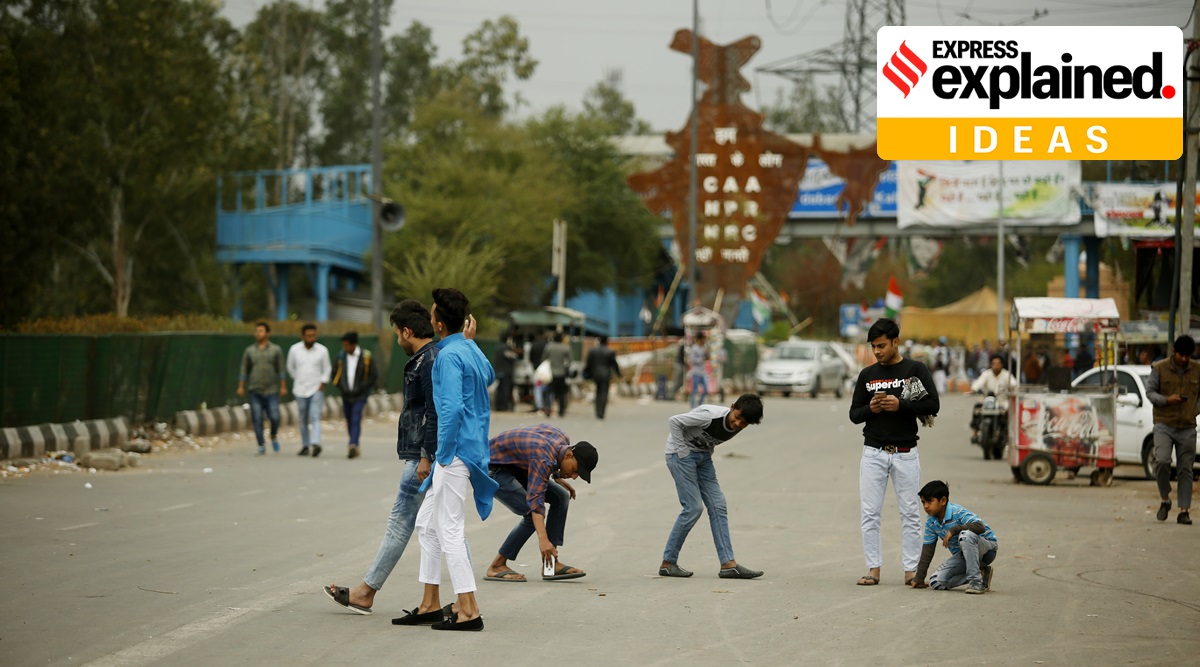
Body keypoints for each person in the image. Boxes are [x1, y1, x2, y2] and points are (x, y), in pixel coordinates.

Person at [323, 301, 440, 615]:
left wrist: (426, 457)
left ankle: (366, 592)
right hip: (428, 455)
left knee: (402, 525)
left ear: (406, 331)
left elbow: (434, 411)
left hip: (422, 457)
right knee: (437, 528)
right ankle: (437, 602)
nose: (398, 341)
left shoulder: (427, 361)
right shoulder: (433, 356)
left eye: (397, 334)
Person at [397, 288, 498, 631]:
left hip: (454, 452)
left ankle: (469, 609)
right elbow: (490, 374)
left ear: (438, 323)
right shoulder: (466, 349)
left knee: (449, 529)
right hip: (466, 449)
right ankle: (430, 604)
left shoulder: (447, 357)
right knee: (427, 524)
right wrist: (471, 340)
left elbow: (451, 408)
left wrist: (441, 453)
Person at [849, 318, 939, 587]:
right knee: (869, 513)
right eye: (873, 347)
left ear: (895, 342)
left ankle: (911, 571)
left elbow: (932, 405)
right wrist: (872, 409)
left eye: (881, 345)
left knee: (911, 513)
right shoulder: (868, 375)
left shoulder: (914, 370)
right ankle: (873, 569)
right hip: (873, 452)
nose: (877, 351)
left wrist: (901, 404)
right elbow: (854, 414)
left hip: (905, 452)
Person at [658, 393, 765, 580]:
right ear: (732, 407)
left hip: (702, 457)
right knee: (693, 508)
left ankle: (728, 565)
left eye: (744, 423)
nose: (738, 424)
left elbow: (711, 439)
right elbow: (674, 421)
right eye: (737, 418)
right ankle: (668, 563)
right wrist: (683, 453)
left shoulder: (739, 423)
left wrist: (705, 453)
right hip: (679, 455)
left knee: (718, 505)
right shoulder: (709, 416)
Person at [483, 424, 598, 583]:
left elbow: (541, 450)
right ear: (569, 455)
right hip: (492, 468)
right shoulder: (543, 457)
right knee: (531, 513)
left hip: (517, 466)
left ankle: (550, 566)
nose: (574, 476)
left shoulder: (562, 440)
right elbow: (536, 501)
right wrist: (543, 541)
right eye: (575, 470)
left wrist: (557, 474)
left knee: (561, 496)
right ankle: (497, 565)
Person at [1145, 334, 1199, 526]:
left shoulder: (1197, 369)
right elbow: (1150, 392)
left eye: (1188, 356)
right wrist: (1166, 400)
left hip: (1187, 427)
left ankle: (1184, 511)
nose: (1184, 359)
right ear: (1173, 352)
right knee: (1162, 461)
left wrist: (1195, 407)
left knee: (1185, 469)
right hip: (1164, 424)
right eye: (1181, 355)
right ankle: (1165, 499)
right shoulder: (1159, 368)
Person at [908, 480, 998, 594]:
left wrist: (954, 530)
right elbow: (928, 550)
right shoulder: (931, 522)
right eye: (923, 502)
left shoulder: (957, 512)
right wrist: (919, 578)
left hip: (986, 550)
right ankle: (982, 574)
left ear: (943, 500)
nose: (926, 506)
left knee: (966, 535)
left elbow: (980, 526)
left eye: (930, 501)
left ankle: (976, 582)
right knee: (936, 582)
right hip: (964, 556)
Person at [237, 321, 287, 455]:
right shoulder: (249, 351)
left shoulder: (276, 350)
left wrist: (283, 386)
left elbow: (281, 369)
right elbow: (244, 369)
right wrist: (241, 386)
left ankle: (273, 435)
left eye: (261, 331)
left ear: (268, 333)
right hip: (255, 390)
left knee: (275, 416)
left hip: (271, 390)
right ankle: (261, 444)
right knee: (257, 418)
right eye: (256, 331)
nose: (258, 333)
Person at [287, 323, 331, 457]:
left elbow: (327, 369)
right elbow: (290, 367)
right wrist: (297, 378)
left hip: (316, 388)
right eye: (308, 336)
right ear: (303, 336)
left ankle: (315, 443)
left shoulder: (322, 350)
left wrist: (323, 383)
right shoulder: (294, 350)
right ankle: (305, 445)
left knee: (315, 415)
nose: (311, 338)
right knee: (303, 418)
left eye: (313, 336)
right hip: (300, 389)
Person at [333, 331, 378, 459]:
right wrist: (341, 386)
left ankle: (352, 444)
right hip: (346, 394)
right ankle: (354, 444)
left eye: (346, 345)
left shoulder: (366, 357)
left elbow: (374, 375)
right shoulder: (341, 357)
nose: (344, 348)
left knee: (356, 417)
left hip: (360, 395)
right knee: (349, 419)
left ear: (353, 345)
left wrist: (363, 387)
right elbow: (335, 373)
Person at [969, 354, 1016, 442]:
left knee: (1007, 413)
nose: (996, 366)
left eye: (998, 363)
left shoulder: (1006, 375)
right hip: (987, 401)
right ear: (991, 364)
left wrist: (1013, 389)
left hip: (1002, 402)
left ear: (1002, 364)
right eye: (994, 363)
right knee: (977, 408)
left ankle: (1007, 433)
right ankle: (975, 432)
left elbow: (1014, 384)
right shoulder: (986, 374)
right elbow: (979, 382)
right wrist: (973, 389)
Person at [583, 336, 622, 420]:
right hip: (605, 375)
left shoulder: (593, 351)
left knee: (597, 391)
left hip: (595, 374)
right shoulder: (610, 352)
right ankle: (601, 412)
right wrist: (619, 374)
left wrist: (586, 373)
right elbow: (614, 364)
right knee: (604, 392)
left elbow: (588, 364)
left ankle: (597, 411)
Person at [545, 332, 572, 417]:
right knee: (562, 393)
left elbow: (544, 359)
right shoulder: (565, 348)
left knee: (549, 392)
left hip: (550, 374)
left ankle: (548, 409)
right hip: (561, 373)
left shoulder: (549, 347)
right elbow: (570, 361)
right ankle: (561, 411)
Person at [492, 334, 521, 412]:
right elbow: (514, 357)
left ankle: (498, 406)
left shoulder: (497, 347)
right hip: (506, 372)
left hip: (498, 371)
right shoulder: (506, 348)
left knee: (499, 389)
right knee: (505, 389)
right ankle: (504, 406)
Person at [686, 334, 710, 409]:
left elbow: (707, 357)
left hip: (703, 372)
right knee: (695, 391)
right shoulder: (694, 348)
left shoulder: (704, 348)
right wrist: (701, 360)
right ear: (699, 339)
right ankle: (692, 407)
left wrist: (707, 355)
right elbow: (691, 359)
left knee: (706, 390)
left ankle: (699, 405)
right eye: (703, 339)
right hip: (696, 372)